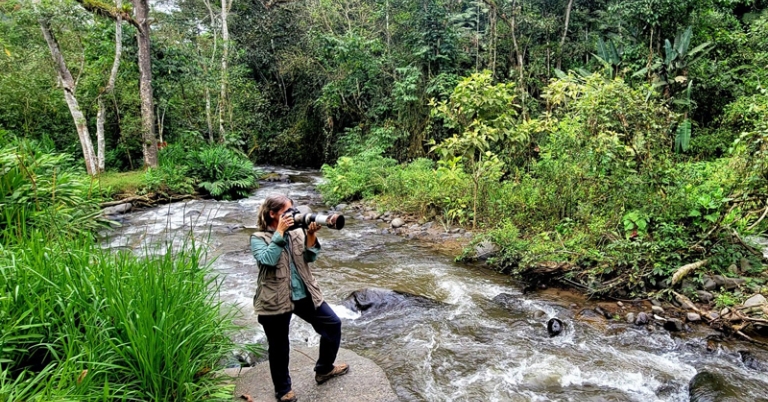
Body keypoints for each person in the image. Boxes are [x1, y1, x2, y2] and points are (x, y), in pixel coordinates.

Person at [251, 194, 349, 402]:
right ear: (273, 214)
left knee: (332, 324)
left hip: (303, 292)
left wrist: (311, 235)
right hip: (275, 297)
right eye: (287, 211)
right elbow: (268, 260)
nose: (293, 214)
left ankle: (324, 369)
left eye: (293, 210)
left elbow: (310, 257)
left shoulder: (297, 232)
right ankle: (283, 390)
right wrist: (279, 233)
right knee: (279, 346)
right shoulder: (258, 238)